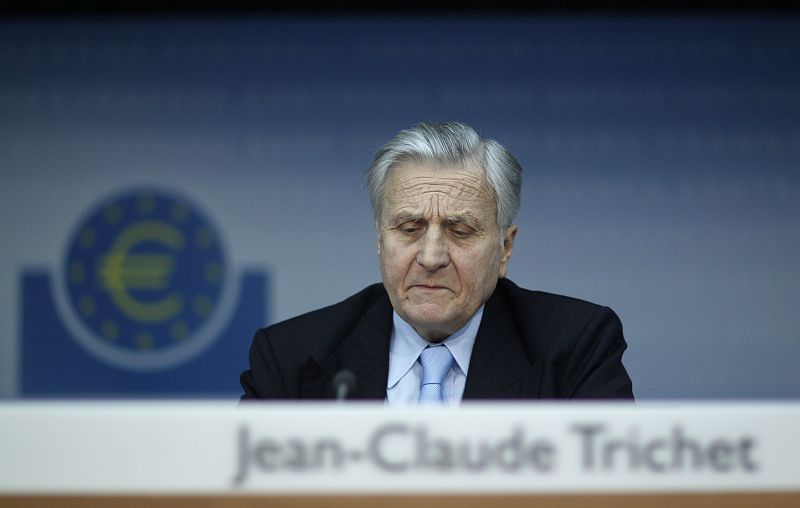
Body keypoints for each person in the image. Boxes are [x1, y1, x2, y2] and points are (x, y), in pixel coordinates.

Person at [240, 122, 633, 403]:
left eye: (460, 231)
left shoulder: (576, 347)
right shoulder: (289, 359)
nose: (431, 257)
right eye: (409, 228)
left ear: (505, 248)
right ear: (380, 240)